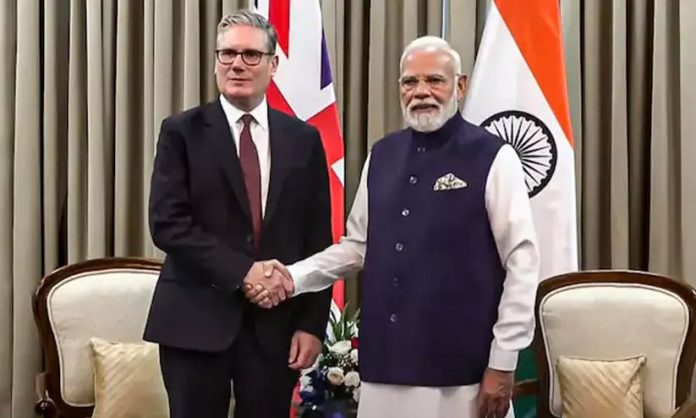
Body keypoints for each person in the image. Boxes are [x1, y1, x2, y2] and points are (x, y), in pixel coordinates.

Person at [247, 36, 540, 418]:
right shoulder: (382, 154)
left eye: (434, 80)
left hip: (461, 370)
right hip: (384, 364)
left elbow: (522, 262)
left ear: (460, 86)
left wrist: (503, 360)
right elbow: (357, 246)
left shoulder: (494, 156)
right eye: (410, 82)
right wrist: (292, 277)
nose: (421, 92)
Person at [143, 10, 334, 418]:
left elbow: (318, 237)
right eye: (227, 54)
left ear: (273, 64)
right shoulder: (181, 132)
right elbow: (167, 224)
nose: (237, 64)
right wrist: (244, 271)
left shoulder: (303, 139)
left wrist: (311, 324)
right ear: (216, 61)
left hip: (275, 331)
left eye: (250, 55)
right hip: (194, 324)